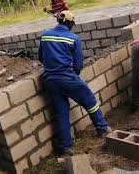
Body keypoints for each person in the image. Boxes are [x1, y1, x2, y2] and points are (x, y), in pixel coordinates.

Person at [38, 10, 110, 155]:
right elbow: (78, 64)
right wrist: (72, 77)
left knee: (61, 112)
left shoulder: (45, 35)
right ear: (70, 23)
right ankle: (102, 129)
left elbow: (40, 57)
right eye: (72, 24)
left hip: (49, 80)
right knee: (90, 101)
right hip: (66, 78)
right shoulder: (73, 38)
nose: (72, 26)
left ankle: (65, 147)